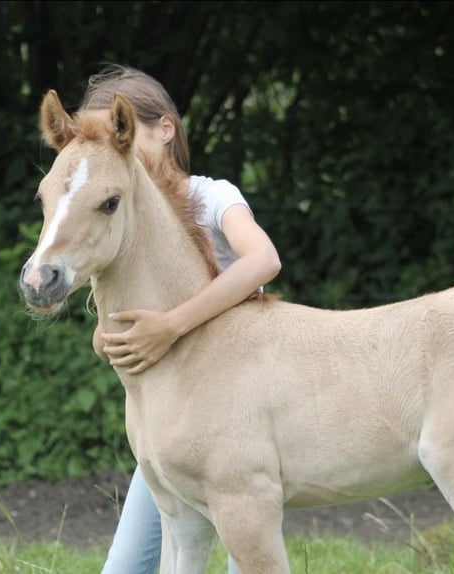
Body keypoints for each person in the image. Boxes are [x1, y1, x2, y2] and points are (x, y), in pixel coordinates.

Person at [81, 64, 282, 574]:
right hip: (176, 428)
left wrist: (173, 324)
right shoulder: (124, 217)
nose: (112, 151)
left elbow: (264, 261)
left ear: (165, 129)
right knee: (125, 567)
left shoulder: (213, 195)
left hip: (241, 424)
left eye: (122, 133)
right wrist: (107, 337)